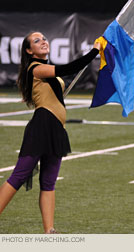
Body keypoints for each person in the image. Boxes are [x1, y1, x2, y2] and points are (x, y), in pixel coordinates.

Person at [0, 32, 101, 233]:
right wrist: (94, 51)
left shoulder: (44, 70)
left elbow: (54, 93)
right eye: (37, 41)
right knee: (19, 176)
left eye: (44, 38)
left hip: (56, 129)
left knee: (48, 182)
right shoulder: (36, 68)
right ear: (29, 51)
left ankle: (49, 231)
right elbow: (69, 68)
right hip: (41, 127)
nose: (43, 41)